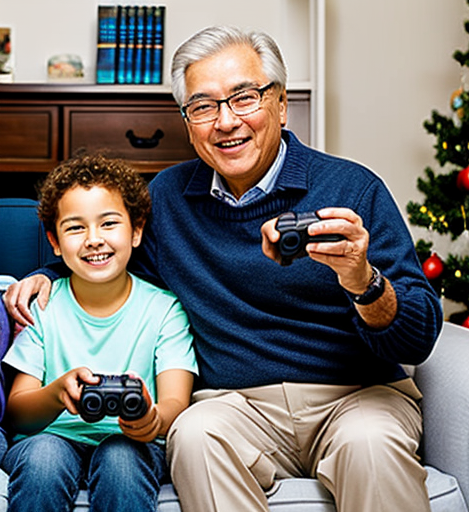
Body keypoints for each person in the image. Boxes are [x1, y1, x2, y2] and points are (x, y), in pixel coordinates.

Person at [3, 26, 442, 512]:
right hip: (235, 404)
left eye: (244, 98)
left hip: (357, 395)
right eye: (204, 106)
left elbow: (417, 337)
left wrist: (363, 280)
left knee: (370, 444)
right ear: (188, 121)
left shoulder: (353, 189)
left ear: (280, 104)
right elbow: (105, 258)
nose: (226, 121)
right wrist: (45, 275)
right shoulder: (166, 201)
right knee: (194, 434)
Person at [1, 154, 197, 512]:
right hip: (51, 435)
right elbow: (16, 413)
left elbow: (175, 403)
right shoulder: (42, 306)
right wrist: (59, 392)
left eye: (109, 224)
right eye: (75, 228)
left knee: (121, 458)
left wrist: (151, 421)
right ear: (55, 242)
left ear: (137, 231)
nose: (94, 239)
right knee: (43, 458)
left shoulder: (165, 309)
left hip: (134, 442)